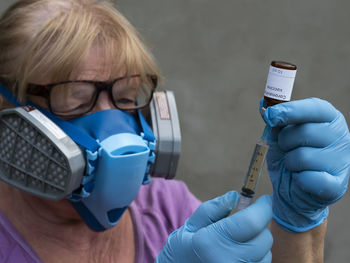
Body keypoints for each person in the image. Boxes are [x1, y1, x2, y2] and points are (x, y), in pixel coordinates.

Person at [0, 0, 349, 262]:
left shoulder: (165, 206)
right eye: (75, 101)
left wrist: (297, 224)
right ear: (10, 115)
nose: (112, 125)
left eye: (125, 96)